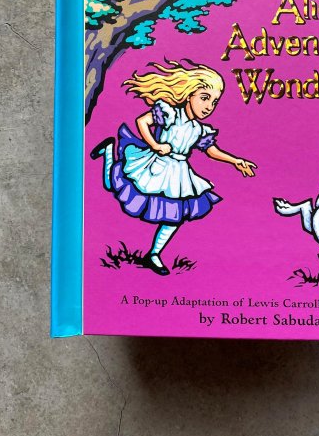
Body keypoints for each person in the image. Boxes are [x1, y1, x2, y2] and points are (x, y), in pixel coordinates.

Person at [91, 59, 256, 275]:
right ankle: (108, 151)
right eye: (204, 98)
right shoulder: (170, 113)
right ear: (189, 95)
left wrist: (235, 161)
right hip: (155, 164)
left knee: (175, 216)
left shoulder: (199, 129)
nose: (209, 106)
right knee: (114, 185)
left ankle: (154, 254)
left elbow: (211, 151)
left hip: (178, 172)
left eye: (214, 102)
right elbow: (142, 121)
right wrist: (155, 145)